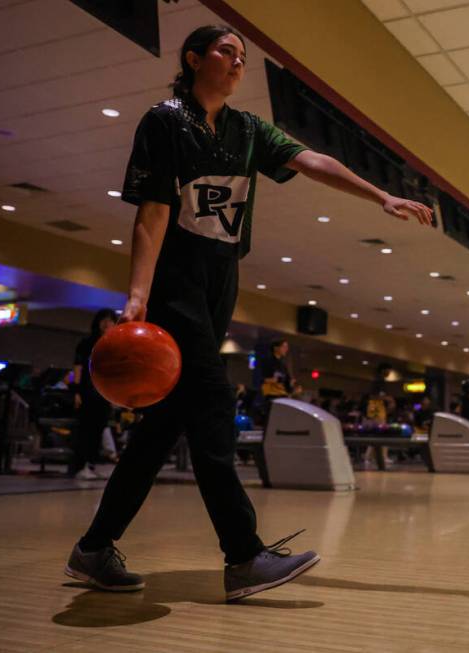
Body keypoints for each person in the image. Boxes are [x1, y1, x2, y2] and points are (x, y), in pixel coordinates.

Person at [65, 25, 433, 601]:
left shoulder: (247, 129)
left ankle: (92, 549)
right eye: (226, 52)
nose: (238, 63)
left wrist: (380, 195)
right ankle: (243, 556)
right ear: (194, 59)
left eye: (242, 57)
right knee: (213, 407)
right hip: (176, 282)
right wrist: (137, 297)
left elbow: (312, 160)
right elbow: (153, 213)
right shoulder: (164, 120)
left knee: (161, 430)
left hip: (221, 280)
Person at [68, 308, 117, 480]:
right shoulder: (87, 343)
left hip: (103, 394)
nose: (107, 323)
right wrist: (76, 392)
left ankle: (90, 464)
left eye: (111, 320)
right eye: (103, 319)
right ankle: (78, 466)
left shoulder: (113, 344)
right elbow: (78, 367)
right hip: (87, 393)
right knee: (85, 430)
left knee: (98, 430)